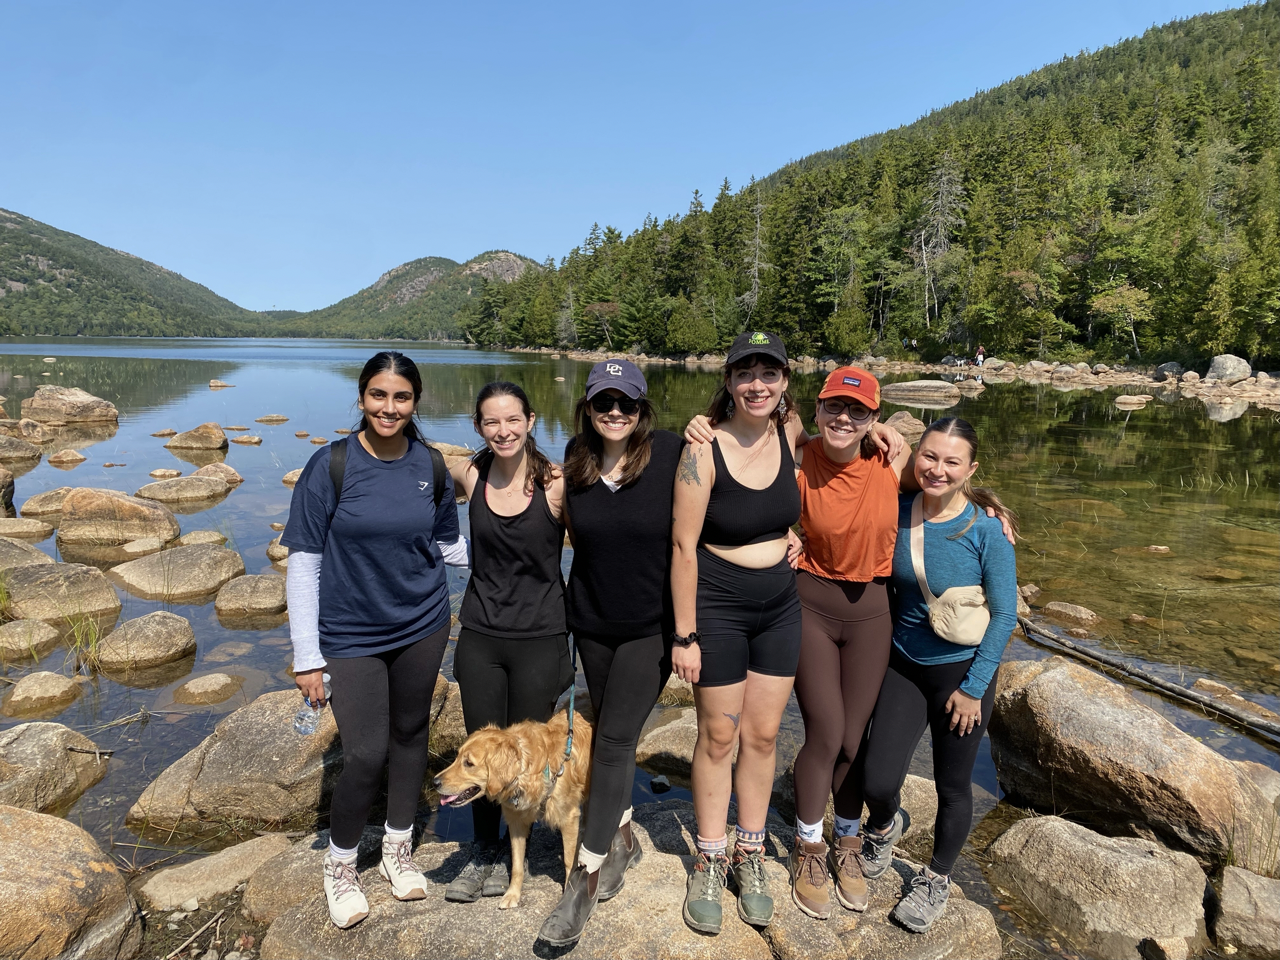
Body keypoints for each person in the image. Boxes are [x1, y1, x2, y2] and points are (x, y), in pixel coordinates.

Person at [283, 351, 468, 929]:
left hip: (423, 623)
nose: (390, 408)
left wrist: (525, 543)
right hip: (350, 634)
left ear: (416, 402)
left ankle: (397, 848)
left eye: (402, 397)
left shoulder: (430, 465)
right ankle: (340, 866)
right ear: (361, 398)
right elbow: (304, 563)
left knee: (412, 735)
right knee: (365, 752)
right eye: (379, 396)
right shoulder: (331, 465)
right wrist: (307, 656)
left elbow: (447, 546)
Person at [537, 359, 684, 947]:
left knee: (616, 741)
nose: (615, 413)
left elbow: (757, 460)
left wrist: (785, 534)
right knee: (606, 736)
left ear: (643, 409)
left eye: (626, 402)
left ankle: (585, 877)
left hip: (652, 627)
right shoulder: (574, 460)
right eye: (604, 402)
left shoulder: (674, 453)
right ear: (588, 408)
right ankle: (623, 834)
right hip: (591, 623)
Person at [858, 417, 1018, 935]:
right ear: (914, 457)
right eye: (929, 457)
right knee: (878, 779)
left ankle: (937, 879)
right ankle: (884, 826)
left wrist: (974, 690)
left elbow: (1005, 615)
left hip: (962, 675)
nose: (938, 469)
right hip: (902, 665)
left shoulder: (986, 530)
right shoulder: (898, 510)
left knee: (953, 786)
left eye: (952, 462)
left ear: (971, 469)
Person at [670, 331, 805, 935]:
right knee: (718, 735)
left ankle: (751, 854)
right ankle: (710, 853)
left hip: (780, 603)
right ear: (727, 381)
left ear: (783, 382)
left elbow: (847, 449)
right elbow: (682, 546)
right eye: (745, 373)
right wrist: (685, 634)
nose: (758, 384)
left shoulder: (792, 430)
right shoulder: (703, 449)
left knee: (765, 731)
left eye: (769, 373)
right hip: (718, 602)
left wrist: (890, 438)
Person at [783, 368, 912, 920]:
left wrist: (990, 508)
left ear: (874, 419)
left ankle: (847, 841)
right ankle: (809, 846)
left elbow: (944, 482)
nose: (844, 418)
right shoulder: (797, 460)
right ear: (817, 411)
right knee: (826, 731)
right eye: (834, 407)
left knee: (855, 740)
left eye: (858, 411)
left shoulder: (892, 461)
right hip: (811, 604)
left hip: (872, 614)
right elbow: (750, 437)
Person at [444, 381, 572, 903]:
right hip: (480, 636)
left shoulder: (557, 485)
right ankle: (483, 850)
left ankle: (516, 853)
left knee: (523, 757)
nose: (503, 430)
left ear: (531, 421)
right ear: (478, 427)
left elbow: (609, 539)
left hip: (540, 638)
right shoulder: (469, 473)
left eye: (513, 420)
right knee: (478, 749)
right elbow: (404, 469)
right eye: (491, 422)